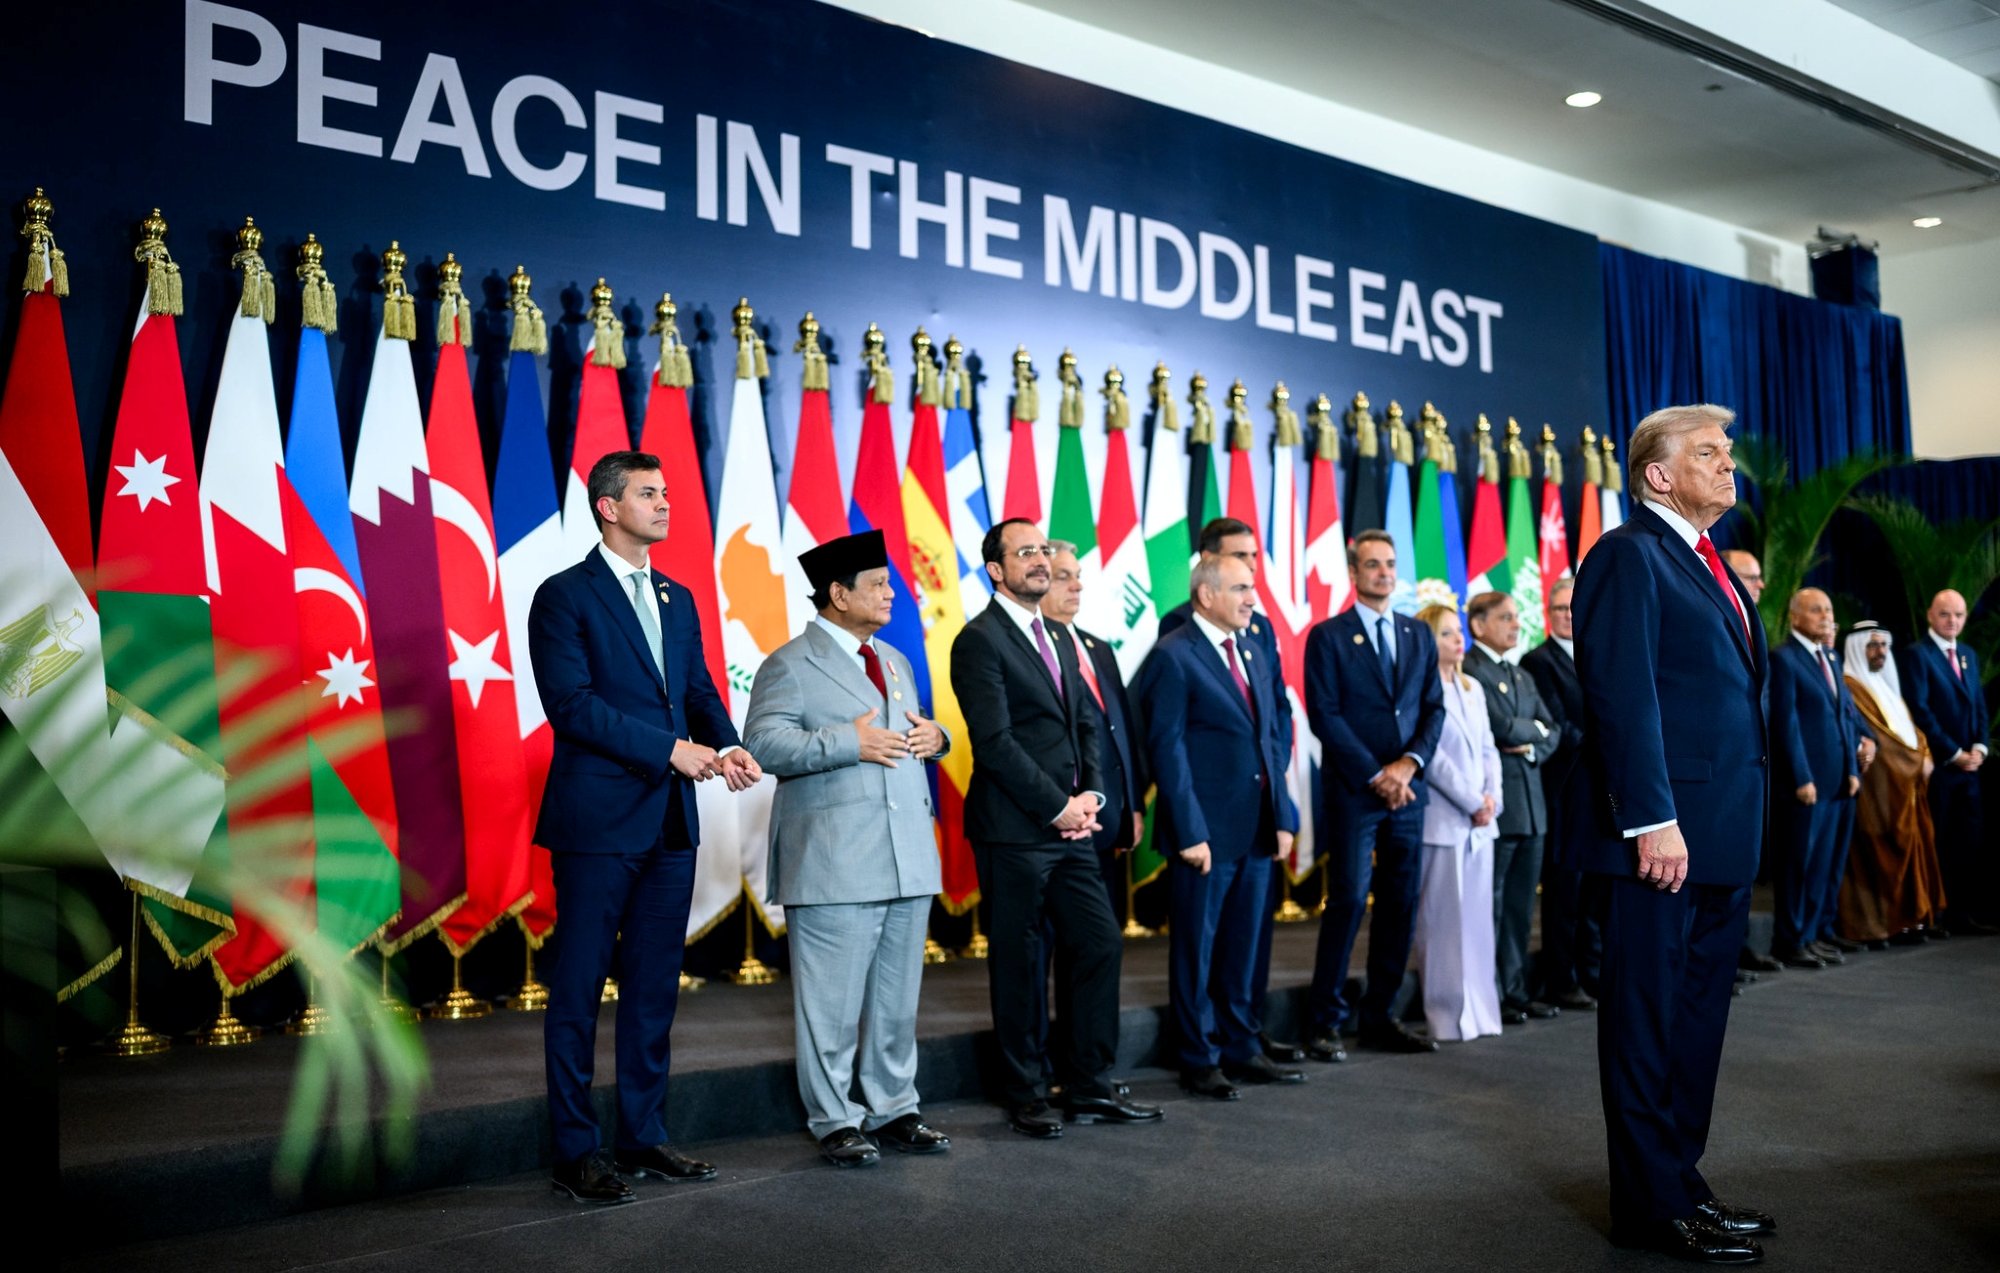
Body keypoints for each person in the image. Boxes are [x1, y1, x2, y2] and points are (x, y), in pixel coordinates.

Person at [528, 450, 764, 1205]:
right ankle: (575, 1149)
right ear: (607, 505)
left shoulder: (678, 596)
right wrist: (671, 750)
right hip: (597, 822)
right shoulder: (563, 596)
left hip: (668, 824)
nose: (665, 503)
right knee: (579, 989)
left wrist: (724, 743)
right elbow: (573, 706)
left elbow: (695, 688)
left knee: (654, 988)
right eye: (648, 493)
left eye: (666, 492)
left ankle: (643, 1133)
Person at [1570, 404, 1774, 1262]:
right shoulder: (1626, 555)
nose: (1730, 467)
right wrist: (1653, 819)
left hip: (1721, 837)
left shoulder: (1709, 563)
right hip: (1663, 839)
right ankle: (1651, 1206)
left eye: (1728, 454)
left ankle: (1683, 1183)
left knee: (1696, 1025)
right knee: (1648, 1024)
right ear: (1659, 474)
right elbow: (1624, 696)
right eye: (1709, 454)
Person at [743, 530, 953, 1168]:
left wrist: (936, 739)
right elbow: (766, 745)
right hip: (834, 862)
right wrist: (845, 742)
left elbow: (910, 734)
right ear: (838, 594)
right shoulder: (788, 664)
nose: (892, 593)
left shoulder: (893, 659)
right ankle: (834, 1118)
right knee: (829, 1006)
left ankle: (894, 1107)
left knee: (896, 1001)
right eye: (879, 585)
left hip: (906, 855)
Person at [950, 518, 1162, 1138]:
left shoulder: (1061, 636)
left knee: (1098, 942)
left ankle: (1089, 1084)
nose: (1040, 560)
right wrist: (1056, 806)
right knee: (1018, 962)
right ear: (996, 569)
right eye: (1026, 553)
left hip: (1072, 829)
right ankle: (1026, 1091)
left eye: (1043, 550)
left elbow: (1086, 728)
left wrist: (1091, 797)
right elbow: (994, 745)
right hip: (1016, 831)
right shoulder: (979, 640)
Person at [1136, 556, 1305, 1099]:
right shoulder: (1173, 655)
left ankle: (1241, 1046)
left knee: (1244, 947)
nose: (1252, 599)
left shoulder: (1252, 648)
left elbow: (1271, 740)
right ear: (1205, 596)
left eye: (1251, 588)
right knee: (1196, 950)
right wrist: (1188, 831)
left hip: (1256, 829)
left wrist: (1282, 817)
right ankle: (1199, 1055)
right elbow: (1168, 750)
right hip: (1204, 835)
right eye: (1240, 588)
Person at [1301, 529, 1446, 1060]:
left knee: (1400, 904)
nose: (1384, 572)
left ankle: (1379, 1016)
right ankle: (1324, 1020)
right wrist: (1376, 775)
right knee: (1345, 901)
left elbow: (1434, 708)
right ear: (1354, 573)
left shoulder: (1416, 633)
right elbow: (1325, 715)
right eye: (1373, 565)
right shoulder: (1329, 636)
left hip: (1408, 793)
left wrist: (1407, 767)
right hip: (1356, 793)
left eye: (1389, 564)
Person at [1037, 540, 1147, 1095]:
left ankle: (1091, 1067)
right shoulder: (1031, 649)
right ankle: (1052, 1070)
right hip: (1049, 827)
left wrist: (1133, 807)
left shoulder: (1098, 648)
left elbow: (1120, 735)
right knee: (1054, 952)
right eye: (1061, 576)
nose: (1075, 586)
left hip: (1103, 822)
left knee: (1098, 947)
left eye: (1078, 576)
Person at [1463, 590, 1562, 1024]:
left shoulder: (1520, 674)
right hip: (1499, 807)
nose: (1516, 625)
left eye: (1517, 617)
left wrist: (1531, 744)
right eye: (1505, 617)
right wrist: (1529, 734)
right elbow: (1498, 727)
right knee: (1494, 905)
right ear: (1479, 624)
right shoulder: (1471, 670)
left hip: (1533, 805)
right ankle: (1493, 991)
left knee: (1522, 909)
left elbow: (1551, 729)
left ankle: (1516, 989)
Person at [1410, 603, 1505, 1043]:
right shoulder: (1423, 691)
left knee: (1477, 923)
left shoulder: (1472, 688)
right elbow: (1433, 760)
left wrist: (1491, 799)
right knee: (1443, 924)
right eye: (1447, 633)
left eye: (1458, 631)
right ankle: (1446, 1016)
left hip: (1480, 823)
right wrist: (1471, 800)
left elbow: (1488, 748)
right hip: (1444, 820)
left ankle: (1482, 1012)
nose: (1457, 640)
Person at [1769, 588, 1865, 970]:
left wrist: (1853, 771)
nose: (1826, 616)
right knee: (1798, 866)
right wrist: (1801, 777)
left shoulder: (1830, 654)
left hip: (1838, 780)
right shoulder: (1784, 659)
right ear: (1795, 617)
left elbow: (1844, 716)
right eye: (1815, 610)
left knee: (1823, 864)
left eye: (1828, 609)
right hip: (1806, 785)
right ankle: (1789, 940)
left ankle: (1810, 935)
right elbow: (1786, 723)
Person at [1838, 622, 1947, 946]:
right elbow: (1882, 741)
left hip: (1905, 789)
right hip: (1879, 793)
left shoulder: (1884, 686)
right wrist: (1917, 761)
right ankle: (1880, 926)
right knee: (1878, 858)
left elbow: (1911, 730)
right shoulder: (1851, 686)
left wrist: (1925, 752)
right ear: (1858, 648)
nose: (1880, 652)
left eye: (1883, 646)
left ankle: (1909, 921)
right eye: (1872, 646)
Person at [1520, 578, 1599, 1008]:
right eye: (1560, 610)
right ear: (1548, 615)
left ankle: (1592, 972)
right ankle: (1561, 979)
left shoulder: (1598, 654)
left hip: (1600, 792)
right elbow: (1555, 724)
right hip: (1564, 790)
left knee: (1594, 892)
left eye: (1574, 608)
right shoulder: (1538, 661)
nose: (1569, 616)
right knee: (1564, 893)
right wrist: (1607, 742)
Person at [1901, 589, 1993, 934]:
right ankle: (1935, 915)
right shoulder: (1917, 656)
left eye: (1958, 615)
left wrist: (1980, 749)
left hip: (1971, 769)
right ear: (1930, 615)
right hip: (1940, 768)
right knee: (1937, 841)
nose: (1952, 621)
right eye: (1945, 614)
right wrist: (1954, 753)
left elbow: (1979, 707)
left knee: (1967, 842)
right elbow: (1920, 710)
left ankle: (1961, 913)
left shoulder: (1967, 654)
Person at [1719, 548, 1784, 981]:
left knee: (1739, 876)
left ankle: (1736, 952)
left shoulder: (1751, 622)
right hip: (1717, 773)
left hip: (1750, 773)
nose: (1760, 584)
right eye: (1752, 576)